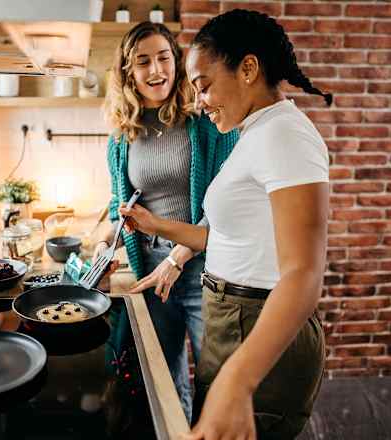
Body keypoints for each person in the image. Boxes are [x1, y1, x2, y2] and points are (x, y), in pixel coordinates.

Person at [119, 9, 331, 439]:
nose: (199, 101)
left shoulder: (285, 135)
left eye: (204, 85)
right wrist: (153, 225)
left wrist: (239, 378)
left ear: (248, 68)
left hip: (254, 321)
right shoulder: (256, 132)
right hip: (231, 320)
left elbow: (304, 274)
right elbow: (224, 237)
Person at [94, 21, 239, 421]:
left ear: (176, 63)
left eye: (163, 58)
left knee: (216, 379)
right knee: (164, 380)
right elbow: (119, 206)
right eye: (143, 62)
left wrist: (177, 258)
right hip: (149, 270)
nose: (156, 71)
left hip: (204, 270)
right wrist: (104, 246)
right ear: (128, 71)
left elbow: (223, 205)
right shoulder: (121, 137)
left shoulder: (206, 123)